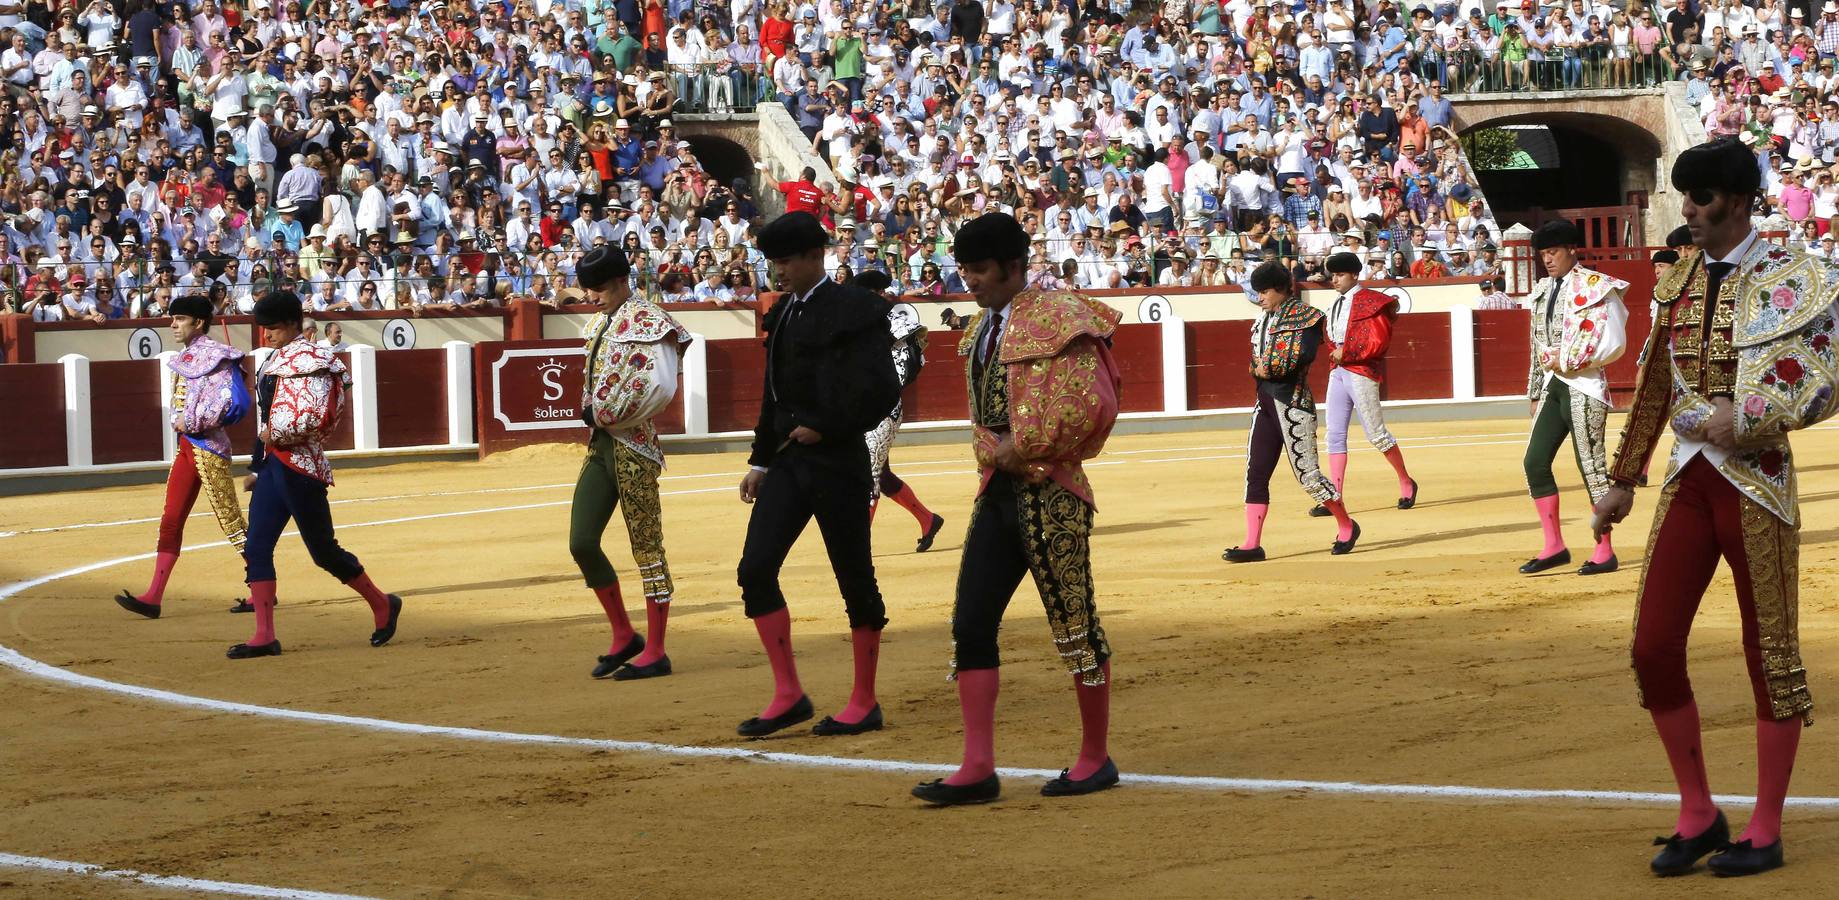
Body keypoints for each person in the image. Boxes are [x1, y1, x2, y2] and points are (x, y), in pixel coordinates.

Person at [1594, 137, 1839, 878]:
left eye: (1698, 199)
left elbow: (1823, 378)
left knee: (1769, 654)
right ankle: (1698, 812)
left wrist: (1755, 411)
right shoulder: (1680, 281)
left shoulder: (1795, 276)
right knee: (1651, 646)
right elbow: (1657, 383)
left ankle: (1764, 828)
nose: (1688, 212)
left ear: (1735, 201)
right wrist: (1623, 478)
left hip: (1757, 480)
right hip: (1690, 478)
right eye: (1684, 198)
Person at [911, 212, 1122, 807]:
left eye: (978, 270)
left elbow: (1093, 404)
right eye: (964, 271)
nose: (970, 281)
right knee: (971, 623)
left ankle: (1094, 757)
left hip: (1053, 489)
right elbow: (983, 418)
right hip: (996, 494)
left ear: (1011, 266)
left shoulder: (1062, 317)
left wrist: (1023, 446)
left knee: (1074, 622)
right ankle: (978, 767)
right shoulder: (980, 331)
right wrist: (993, 449)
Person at [734, 211, 902, 737]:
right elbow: (772, 395)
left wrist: (827, 427)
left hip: (837, 462)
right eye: (773, 262)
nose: (778, 271)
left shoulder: (856, 308)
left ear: (816, 256)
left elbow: (882, 390)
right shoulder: (783, 313)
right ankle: (788, 693)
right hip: (787, 461)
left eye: (785, 261)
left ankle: (864, 700)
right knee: (755, 569)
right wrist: (760, 460)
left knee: (854, 577)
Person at [232, 291, 402, 659]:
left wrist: (276, 437)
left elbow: (321, 416)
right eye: (263, 329)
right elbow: (267, 416)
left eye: (273, 328)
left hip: (301, 466)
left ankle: (382, 603)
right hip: (275, 465)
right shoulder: (275, 359)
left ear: (293, 324)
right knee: (256, 547)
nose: (266, 336)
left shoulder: (316, 359)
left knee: (323, 552)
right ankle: (264, 635)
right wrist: (258, 464)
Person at [568, 246, 693, 680]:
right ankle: (624, 635)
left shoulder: (652, 323)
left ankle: (657, 649)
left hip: (635, 446)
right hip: (602, 446)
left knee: (647, 549)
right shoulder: (600, 322)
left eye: (600, 288)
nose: (594, 297)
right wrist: (597, 413)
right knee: (581, 542)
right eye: (590, 289)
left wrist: (604, 412)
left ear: (623, 280)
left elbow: (658, 388)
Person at [114, 295, 256, 618]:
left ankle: (262, 587)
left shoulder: (217, 357)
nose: (173, 324)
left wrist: (188, 421)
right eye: (173, 318)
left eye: (180, 318)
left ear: (199, 323)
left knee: (230, 520)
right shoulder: (189, 355)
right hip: (187, 449)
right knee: (171, 518)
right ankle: (153, 596)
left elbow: (225, 404)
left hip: (209, 449)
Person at [1223, 261, 1361, 563]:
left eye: (1264, 291)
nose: (1260, 297)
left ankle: (1346, 524)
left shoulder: (1308, 318)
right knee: (1255, 473)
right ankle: (1252, 544)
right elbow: (1254, 363)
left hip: (1294, 404)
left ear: (1282, 289)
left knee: (1308, 475)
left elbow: (1294, 360)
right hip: (1266, 403)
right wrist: (1261, 368)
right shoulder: (1262, 320)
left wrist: (1265, 368)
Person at [1519, 220, 1628, 576]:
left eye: (1553, 253)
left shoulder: (1596, 287)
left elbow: (1612, 341)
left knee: (1592, 467)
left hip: (1585, 385)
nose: (1547, 260)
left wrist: (1567, 360)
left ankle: (1604, 550)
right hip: (1554, 385)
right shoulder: (1542, 290)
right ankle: (1554, 545)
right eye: (1543, 254)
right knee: (1534, 462)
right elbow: (1537, 344)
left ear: (1571, 251)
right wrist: (1536, 390)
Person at [1313, 251, 1419, 518]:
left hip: (1360, 371)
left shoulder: (1372, 302)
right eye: (1333, 275)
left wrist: (1345, 352)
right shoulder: (1335, 304)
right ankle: (1335, 497)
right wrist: (1338, 353)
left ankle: (1406, 481)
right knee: (1334, 435)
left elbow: (1379, 341)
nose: (1334, 280)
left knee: (1376, 434)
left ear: (1355, 275)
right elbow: (1330, 335)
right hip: (1338, 370)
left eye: (1340, 275)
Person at [854, 269, 947, 552]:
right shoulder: (863, 322)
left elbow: (905, 369)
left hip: (883, 407)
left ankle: (858, 544)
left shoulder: (895, 323)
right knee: (881, 473)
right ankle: (928, 519)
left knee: (868, 473)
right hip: (862, 407)